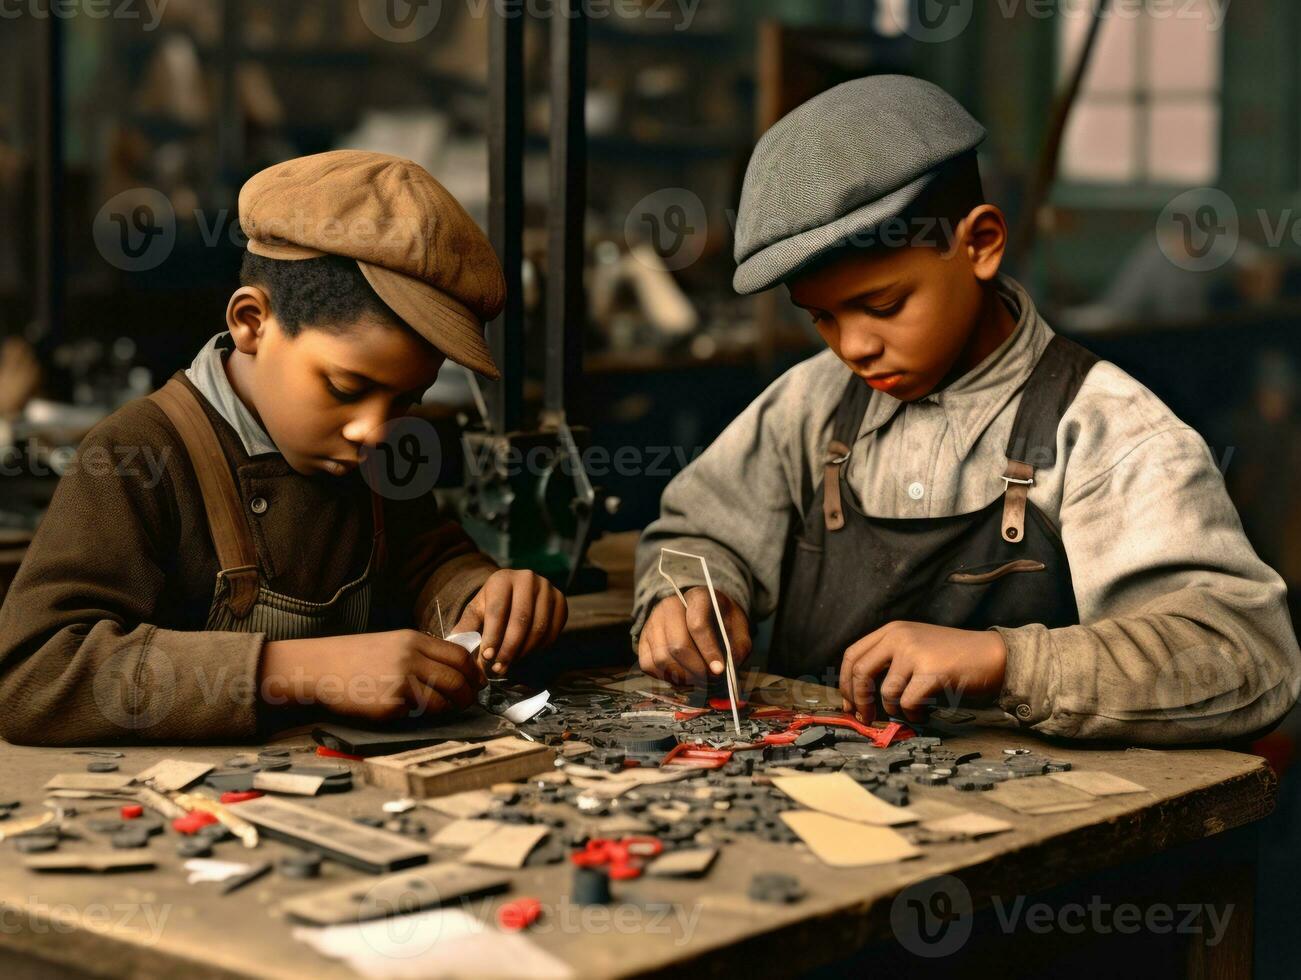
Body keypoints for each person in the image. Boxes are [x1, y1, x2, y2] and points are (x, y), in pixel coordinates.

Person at [632, 76, 1300, 743]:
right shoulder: (811, 402)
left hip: (1040, 820)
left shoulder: (1102, 429)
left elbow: (1246, 659)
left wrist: (1008, 662)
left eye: (883, 305)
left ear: (979, 243)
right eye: (822, 318)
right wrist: (692, 593)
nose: (854, 347)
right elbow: (697, 534)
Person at [0, 150, 566, 745]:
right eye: (348, 387)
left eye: (406, 401)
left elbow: (422, 558)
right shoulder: (137, 454)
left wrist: (479, 597)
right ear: (251, 323)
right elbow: (33, 673)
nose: (374, 430)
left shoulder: (374, 450)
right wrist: (297, 671)